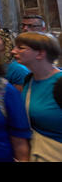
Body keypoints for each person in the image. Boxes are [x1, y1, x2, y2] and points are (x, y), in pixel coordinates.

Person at [12, 32, 62, 161]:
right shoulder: (29, 80)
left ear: (40, 53)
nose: (13, 51)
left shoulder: (59, 82)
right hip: (37, 152)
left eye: (21, 48)